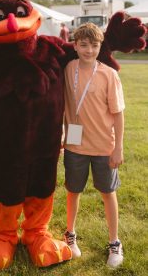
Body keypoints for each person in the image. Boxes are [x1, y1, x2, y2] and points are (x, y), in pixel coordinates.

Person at [63, 22, 124, 268]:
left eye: (94, 45)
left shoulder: (109, 74)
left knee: (108, 193)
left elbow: (118, 114)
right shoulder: (68, 69)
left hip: (103, 147)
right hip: (75, 146)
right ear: (75, 46)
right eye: (84, 45)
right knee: (73, 192)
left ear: (100, 47)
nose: (89, 50)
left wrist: (118, 147)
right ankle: (70, 234)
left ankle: (114, 242)